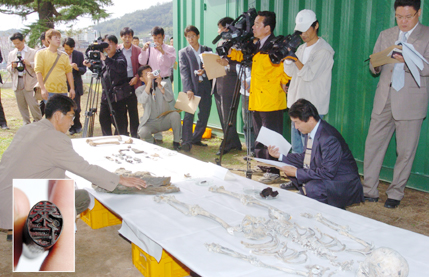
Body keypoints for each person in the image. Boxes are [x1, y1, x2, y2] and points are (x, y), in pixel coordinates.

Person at [0, 94, 147, 230]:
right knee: (81, 197)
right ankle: (39, 233)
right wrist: (120, 179)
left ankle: (23, 227)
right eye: (71, 117)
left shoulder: (27, 129)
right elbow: (84, 169)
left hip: (5, 200)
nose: (72, 122)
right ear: (58, 116)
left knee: (65, 186)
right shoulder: (55, 139)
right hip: (17, 207)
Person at [363, 0, 429, 209]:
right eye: (399, 17)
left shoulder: (427, 35)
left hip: (410, 102)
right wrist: (377, 62)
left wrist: (407, 60)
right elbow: (374, 66)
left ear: (418, 12)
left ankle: (396, 192)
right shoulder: (386, 34)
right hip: (384, 99)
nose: (403, 21)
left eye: (408, 17)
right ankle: (369, 189)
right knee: (373, 145)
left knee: (405, 151)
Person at [228, 11, 291, 183]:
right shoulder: (257, 45)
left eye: (257, 24)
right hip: (256, 98)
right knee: (260, 136)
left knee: (272, 137)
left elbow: (288, 69)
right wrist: (229, 53)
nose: (253, 27)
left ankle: (274, 171)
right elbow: (244, 57)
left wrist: (286, 82)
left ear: (267, 28)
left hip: (271, 100)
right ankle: (263, 165)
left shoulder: (276, 46)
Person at [268, 99, 364, 208]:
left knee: (313, 187)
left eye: (297, 122)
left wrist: (296, 173)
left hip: (343, 182)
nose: (296, 127)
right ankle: (310, 197)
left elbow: (328, 172)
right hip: (330, 174)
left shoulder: (328, 138)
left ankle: (325, 209)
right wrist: (280, 156)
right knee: (291, 168)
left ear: (310, 119)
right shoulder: (314, 130)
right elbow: (305, 158)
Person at [284, 9, 335, 154]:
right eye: (300, 31)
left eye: (306, 30)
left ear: (316, 26)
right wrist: (287, 59)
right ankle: (297, 176)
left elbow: (308, 75)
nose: (303, 34)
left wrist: (294, 59)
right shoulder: (300, 48)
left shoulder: (324, 51)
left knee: (311, 152)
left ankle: (310, 176)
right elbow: (290, 73)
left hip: (312, 107)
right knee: (297, 149)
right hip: (296, 104)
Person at [84, 35, 130, 136]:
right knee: (103, 120)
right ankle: (107, 140)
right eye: (105, 44)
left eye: (110, 44)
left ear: (116, 45)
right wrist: (91, 66)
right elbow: (102, 72)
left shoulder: (120, 57)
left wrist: (105, 59)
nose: (107, 47)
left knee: (120, 125)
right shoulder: (104, 59)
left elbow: (119, 68)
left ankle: (121, 142)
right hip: (106, 96)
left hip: (117, 97)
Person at [139, 26, 176, 143]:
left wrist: (162, 52)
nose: (156, 41)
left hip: (164, 80)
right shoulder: (149, 49)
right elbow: (142, 62)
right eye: (154, 38)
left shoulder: (170, 49)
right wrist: (144, 50)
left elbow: (169, 63)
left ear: (163, 37)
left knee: (170, 105)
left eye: (159, 38)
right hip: (152, 81)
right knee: (154, 107)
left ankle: (177, 138)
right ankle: (158, 136)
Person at [178, 25, 213, 152]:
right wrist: (188, 89)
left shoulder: (207, 50)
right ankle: (186, 141)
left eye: (193, 36)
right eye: (188, 37)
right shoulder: (183, 52)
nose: (191, 39)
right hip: (191, 87)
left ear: (198, 36)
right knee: (188, 115)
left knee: (204, 114)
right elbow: (184, 71)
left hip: (205, 86)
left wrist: (204, 70)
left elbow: (212, 68)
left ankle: (196, 138)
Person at [213, 17, 242, 156]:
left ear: (227, 28)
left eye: (220, 28)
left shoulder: (238, 42)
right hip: (218, 82)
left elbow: (242, 64)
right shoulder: (220, 42)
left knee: (228, 115)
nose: (218, 31)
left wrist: (228, 65)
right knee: (222, 114)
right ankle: (235, 142)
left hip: (230, 83)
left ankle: (227, 143)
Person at [135, 65, 181, 150]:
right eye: (146, 74)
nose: (150, 75)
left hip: (164, 119)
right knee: (142, 132)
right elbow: (142, 100)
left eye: (150, 72)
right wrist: (149, 83)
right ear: (141, 79)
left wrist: (160, 86)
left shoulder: (163, 84)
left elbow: (170, 98)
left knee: (175, 115)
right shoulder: (139, 90)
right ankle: (152, 141)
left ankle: (176, 141)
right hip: (151, 122)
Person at [7, 32, 42, 125]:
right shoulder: (12, 53)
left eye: (18, 43)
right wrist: (13, 66)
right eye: (14, 44)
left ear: (23, 41)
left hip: (30, 81)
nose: (16, 46)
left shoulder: (33, 52)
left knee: (33, 104)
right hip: (17, 81)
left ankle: (38, 122)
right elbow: (8, 68)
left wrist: (29, 63)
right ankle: (26, 123)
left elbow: (39, 66)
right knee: (21, 105)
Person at [34, 29, 75, 101]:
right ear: (48, 39)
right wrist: (42, 88)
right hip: (48, 90)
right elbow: (38, 71)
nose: (58, 40)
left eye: (59, 38)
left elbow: (69, 72)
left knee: (63, 111)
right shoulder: (41, 54)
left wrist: (72, 88)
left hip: (62, 90)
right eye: (55, 37)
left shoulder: (64, 55)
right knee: (51, 112)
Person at [119, 27, 142, 138]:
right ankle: (123, 133)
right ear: (121, 37)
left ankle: (134, 133)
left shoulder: (137, 50)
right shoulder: (117, 49)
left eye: (129, 36)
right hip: (121, 82)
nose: (127, 39)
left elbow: (142, 66)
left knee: (133, 109)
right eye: (125, 36)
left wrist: (137, 77)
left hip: (133, 81)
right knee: (121, 108)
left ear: (132, 37)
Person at [63, 38, 86, 135]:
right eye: (66, 49)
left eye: (70, 49)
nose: (68, 52)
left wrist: (77, 68)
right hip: (64, 84)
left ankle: (77, 125)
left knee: (76, 107)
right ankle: (70, 126)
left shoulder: (79, 55)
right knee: (66, 107)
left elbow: (83, 69)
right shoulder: (60, 55)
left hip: (76, 84)